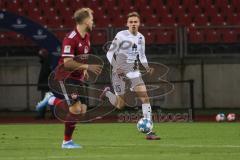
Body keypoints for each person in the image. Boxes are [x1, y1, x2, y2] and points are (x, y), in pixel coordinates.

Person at [100, 12, 160, 140]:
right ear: (127, 24)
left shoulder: (141, 38)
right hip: (119, 71)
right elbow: (109, 54)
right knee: (120, 105)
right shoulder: (121, 35)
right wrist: (117, 67)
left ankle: (150, 131)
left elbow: (142, 56)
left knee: (145, 97)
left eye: (135, 22)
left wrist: (147, 66)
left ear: (139, 23)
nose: (133, 24)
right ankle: (107, 94)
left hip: (134, 71)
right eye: (131, 22)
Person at [49, 8, 102, 149]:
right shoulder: (70, 38)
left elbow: (82, 57)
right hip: (66, 76)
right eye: (91, 19)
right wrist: (87, 67)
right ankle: (66, 142)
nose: (92, 22)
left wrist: (83, 70)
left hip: (77, 77)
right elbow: (67, 63)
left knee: (83, 110)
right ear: (85, 21)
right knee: (76, 109)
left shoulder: (87, 37)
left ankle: (53, 100)